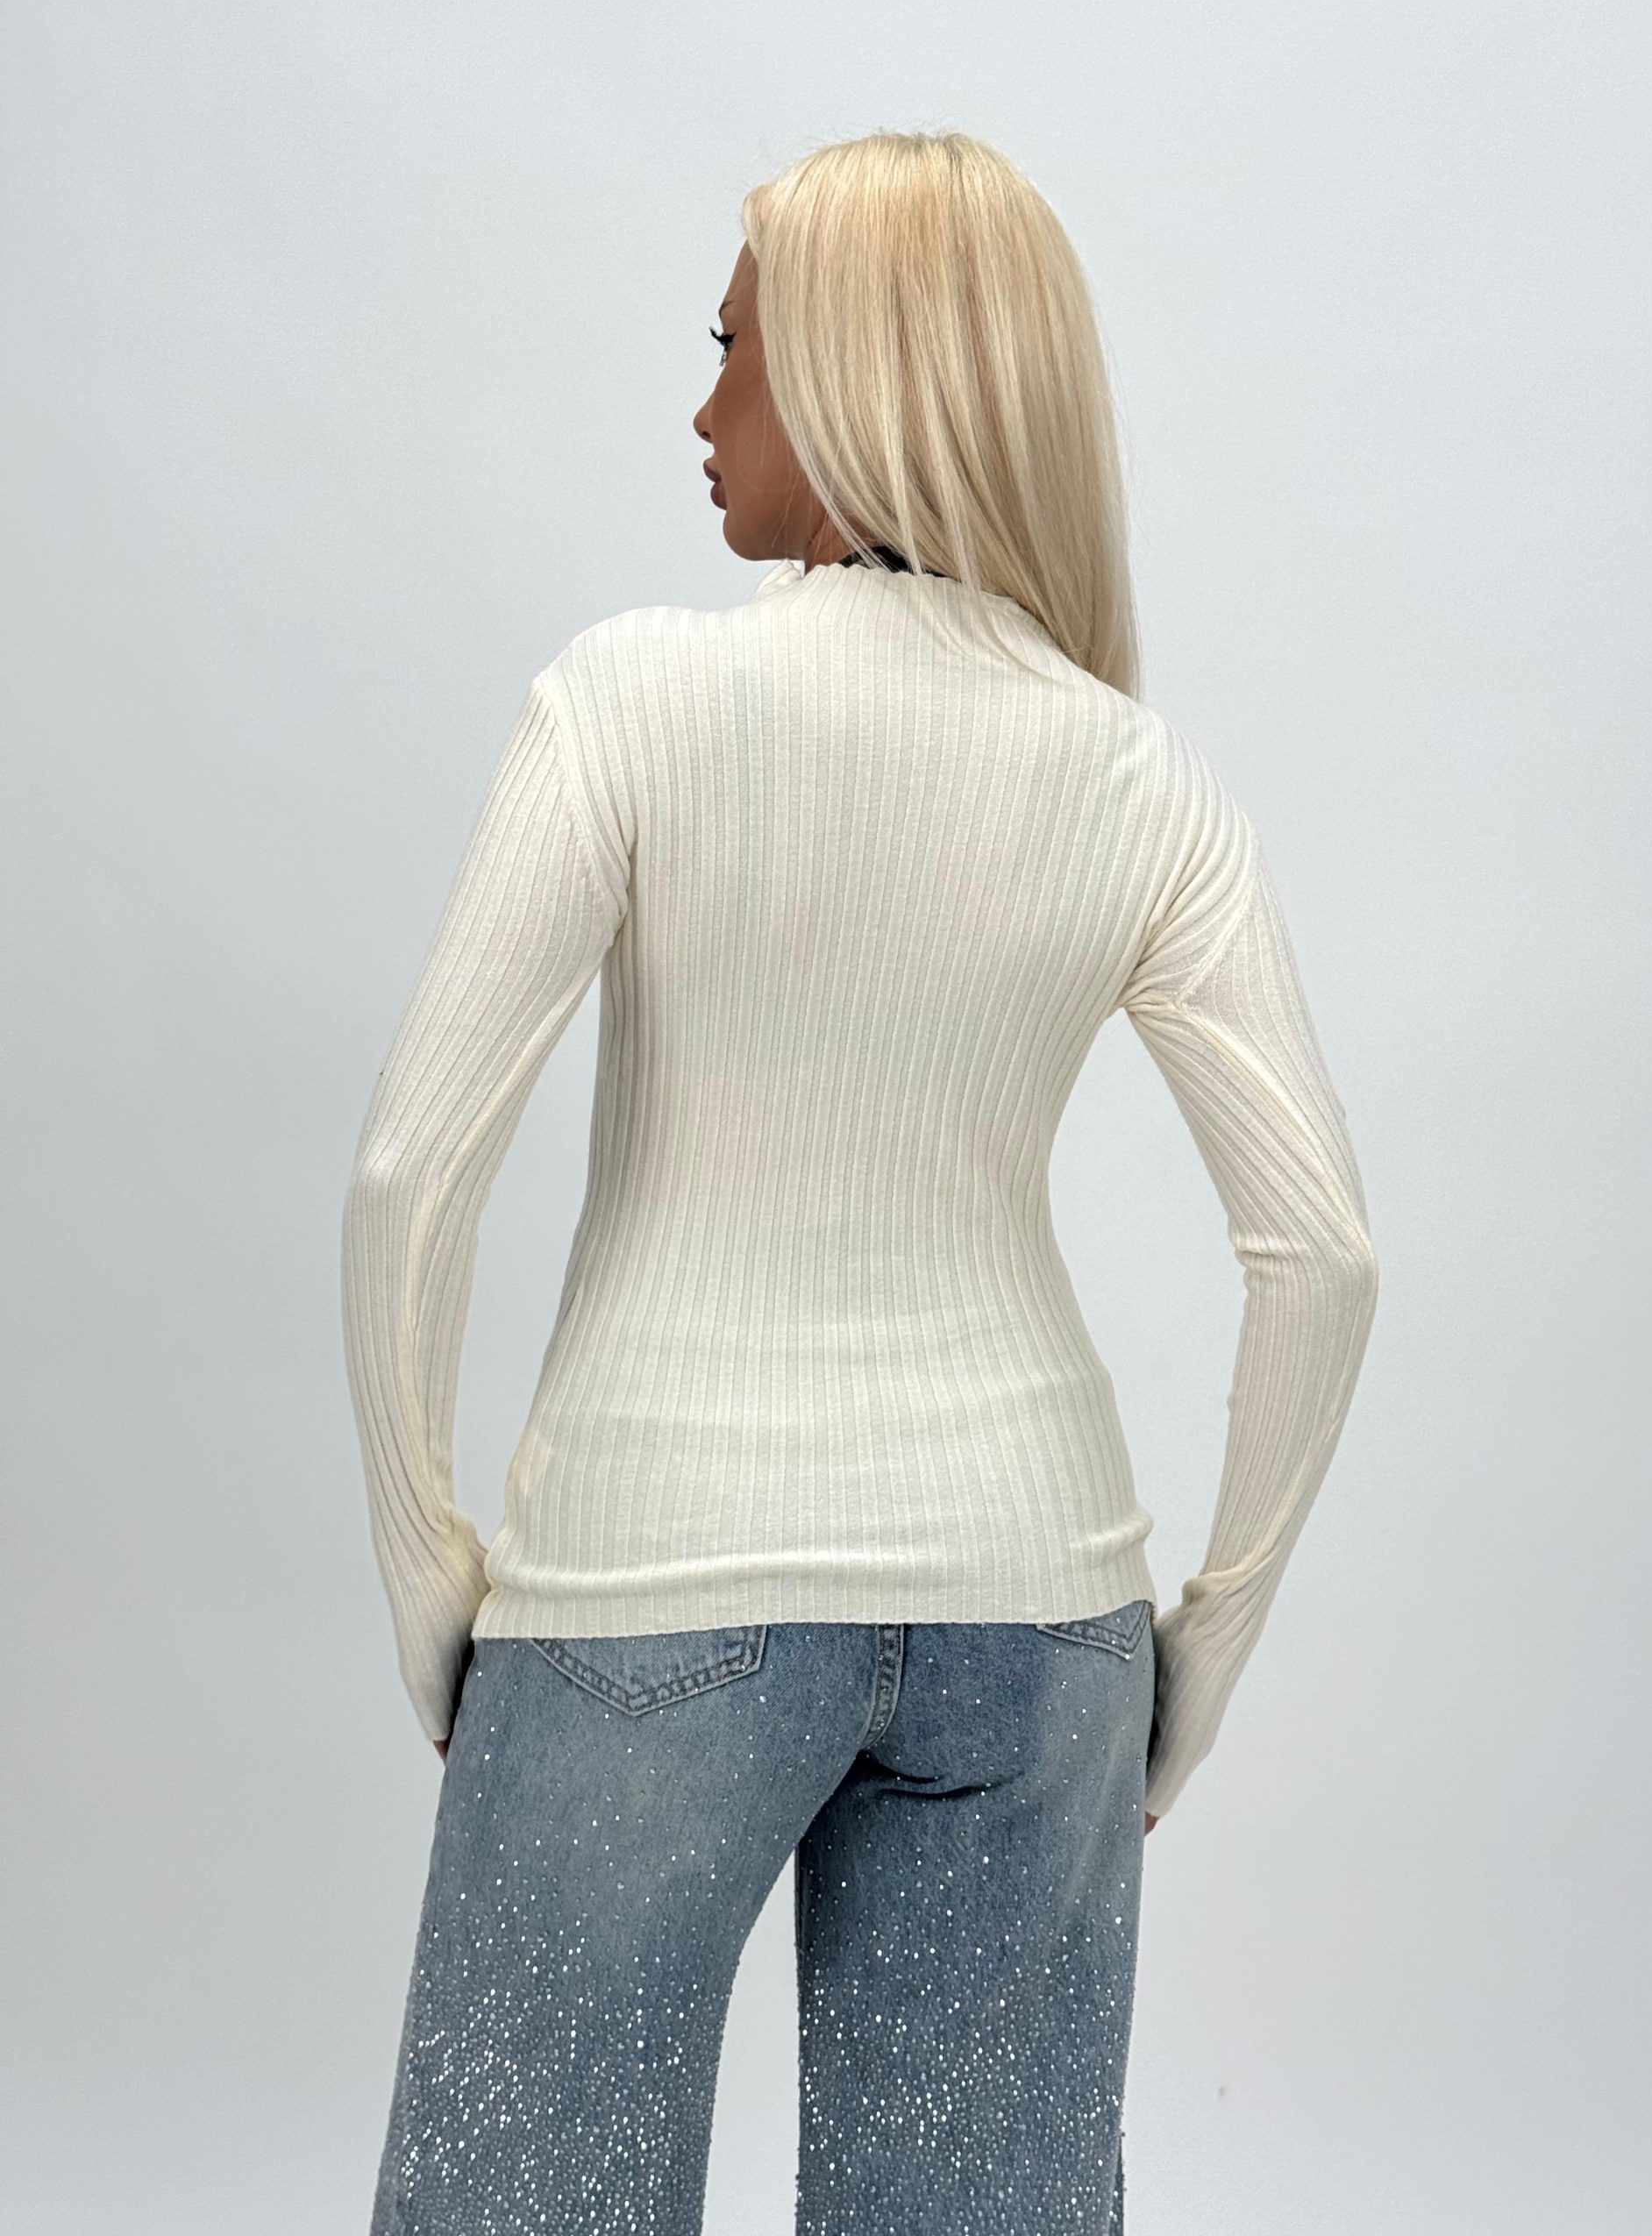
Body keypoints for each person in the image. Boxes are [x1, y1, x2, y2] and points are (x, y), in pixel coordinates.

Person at [340, 127, 1379, 2236]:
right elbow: (1324, 1254)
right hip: (1042, 1614)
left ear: (846, 381)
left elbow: (408, 1171)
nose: (703, 405)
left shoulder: (630, 700)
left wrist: (432, 1569)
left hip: (646, 1578)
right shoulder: (1140, 773)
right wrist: (1198, 1653)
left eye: (733, 349)